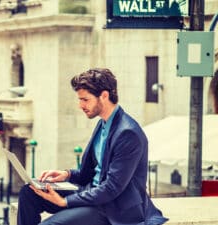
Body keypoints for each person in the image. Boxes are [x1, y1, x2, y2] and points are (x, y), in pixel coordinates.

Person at [17, 68, 168, 225]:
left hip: (113, 207)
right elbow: (94, 172)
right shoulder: (103, 123)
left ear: (104, 96)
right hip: (91, 192)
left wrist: (65, 202)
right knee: (29, 192)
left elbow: (111, 188)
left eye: (85, 100)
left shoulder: (128, 133)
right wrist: (66, 174)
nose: (80, 105)